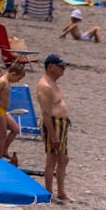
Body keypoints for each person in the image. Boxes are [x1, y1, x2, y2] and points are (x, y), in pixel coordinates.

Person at [36, 54, 72, 202]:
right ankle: (49, 192)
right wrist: (54, 136)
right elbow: (45, 113)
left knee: (63, 158)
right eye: (60, 66)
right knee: (52, 159)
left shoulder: (53, 82)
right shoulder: (45, 86)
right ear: (51, 67)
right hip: (53, 124)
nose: (63, 68)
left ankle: (61, 192)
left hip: (61, 124)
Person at [0, 63, 24, 161]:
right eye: (18, 78)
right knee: (2, 135)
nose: (18, 81)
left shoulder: (7, 80)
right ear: (13, 74)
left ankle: (4, 151)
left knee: (15, 129)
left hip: (4, 110)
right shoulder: (3, 81)